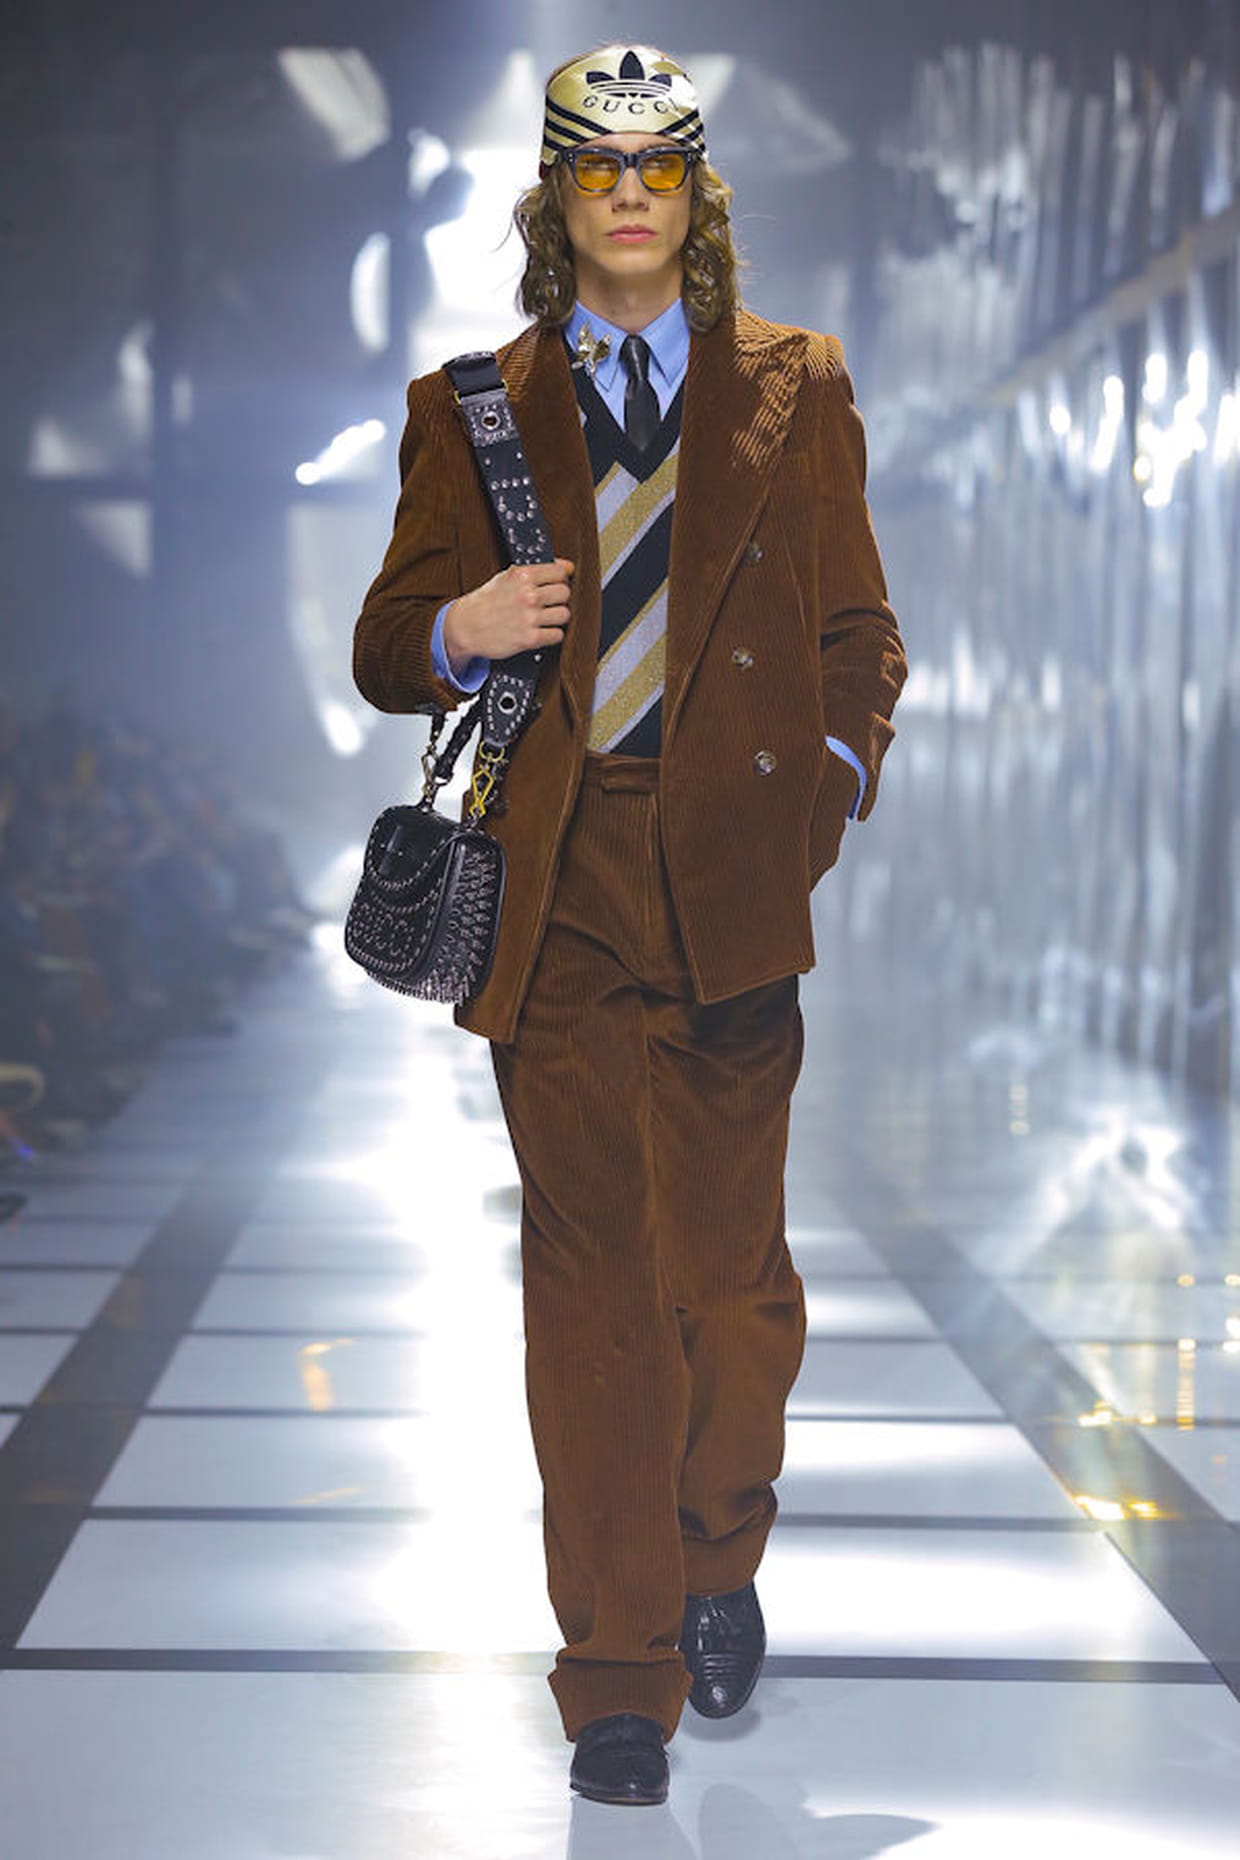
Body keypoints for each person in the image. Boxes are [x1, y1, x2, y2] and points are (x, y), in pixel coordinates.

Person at [353, 42, 908, 1807]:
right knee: (593, 1286)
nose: (629, 196)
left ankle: (714, 1552)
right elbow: (383, 643)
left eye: (657, 167)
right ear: (557, 195)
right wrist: (459, 631)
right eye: (597, 169)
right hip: (564, 878)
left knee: (731, 1289)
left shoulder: (800, 385)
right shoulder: (470, 408)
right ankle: (617, 1672)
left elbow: (861, 631)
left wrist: (826, 786)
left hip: (738, 869)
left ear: (695, 191)